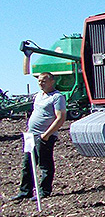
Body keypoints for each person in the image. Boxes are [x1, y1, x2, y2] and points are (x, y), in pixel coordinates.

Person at [10, 72, 66, 200]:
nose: (41, 83)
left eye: (44, 81)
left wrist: (46, 135)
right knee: (27, 164)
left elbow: (61, 117)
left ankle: (44, 191)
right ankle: (25, 191)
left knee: (44, 164)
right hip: (31, 135)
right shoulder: (38, 96)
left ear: (52, 81)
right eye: (39, 81)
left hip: (44, 136)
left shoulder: (57, 97)